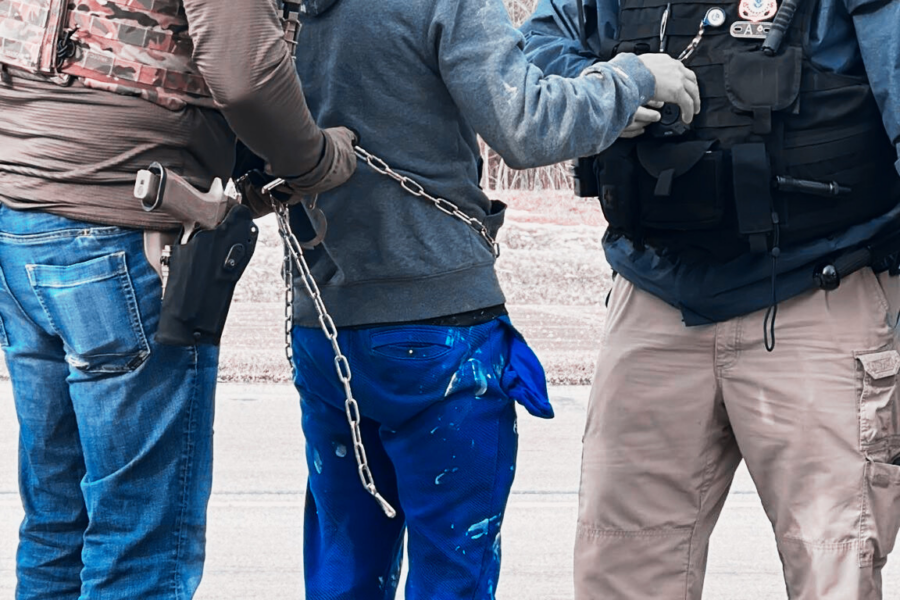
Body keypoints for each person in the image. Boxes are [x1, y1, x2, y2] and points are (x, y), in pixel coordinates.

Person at [283, 0, 699, 598]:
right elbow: (526, 124)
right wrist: (634, 77)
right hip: (438, 324)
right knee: (454, 575)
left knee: (343, 569)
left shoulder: (277, 10)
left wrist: (605, 100)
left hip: (322, 322)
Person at [520, 0, 900, 598]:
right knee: (621, 572)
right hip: (652, 296)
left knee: (835, 571)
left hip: (822, 290)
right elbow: (534, 57)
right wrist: (611, 90)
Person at [0, 1, 356, 598]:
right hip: (120, 222)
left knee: (58, 523)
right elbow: (245, 76)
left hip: (20, 215)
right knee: (140, 548)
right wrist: (316, 160)